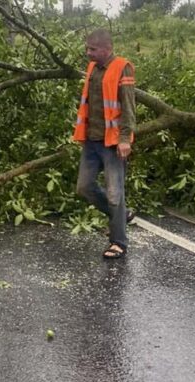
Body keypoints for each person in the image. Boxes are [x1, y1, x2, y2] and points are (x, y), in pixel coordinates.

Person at [73, 29, 136, 259]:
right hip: (92, 140)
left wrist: (124, 138)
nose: (88, 53)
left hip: (112, 142)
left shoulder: (122, 67)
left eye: (92, 49)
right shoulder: (93, 68)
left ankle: (118, 242)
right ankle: (120, 216)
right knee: (84, 187)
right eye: (87, 48)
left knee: (114, 193)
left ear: (107, 49)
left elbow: (128, 106)